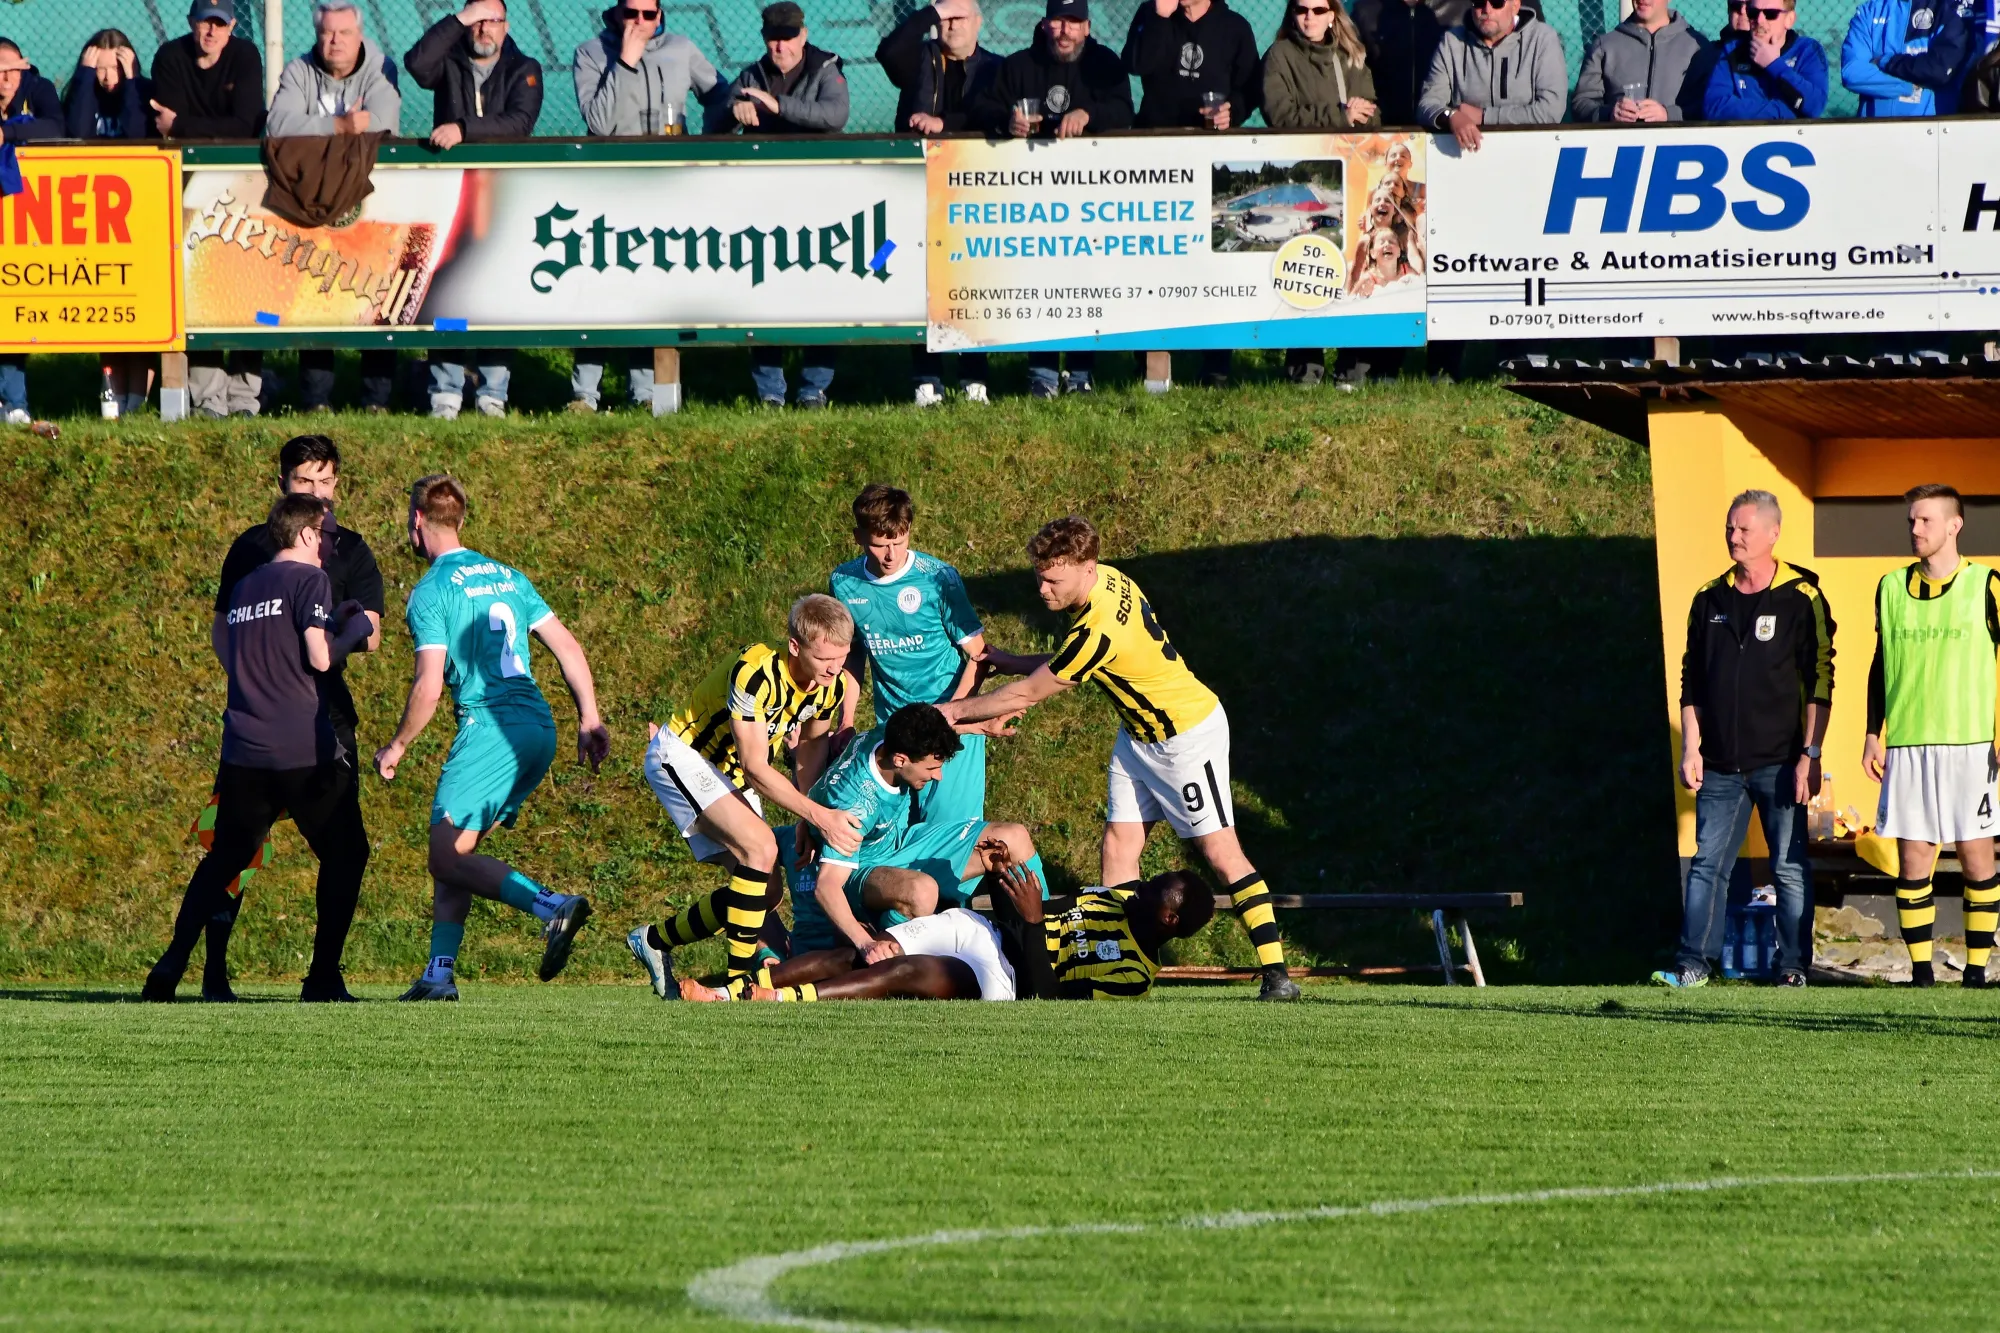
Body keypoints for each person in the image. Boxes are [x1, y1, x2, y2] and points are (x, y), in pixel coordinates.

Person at [939, 516, 1301, 1001]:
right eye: (1039, 577)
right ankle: (1115, 964)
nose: (1042, 590)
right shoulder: (1109, 580)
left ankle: (1277, 975)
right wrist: (1009, 661)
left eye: (1053, 580)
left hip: (1186, 736)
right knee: (1118, 846)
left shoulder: (1099, 628)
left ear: (1086, 567)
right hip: (1138, 734)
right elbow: (1073, 662)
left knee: (1221, 852)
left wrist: (949, 713)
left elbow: (1029, 692)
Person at [374, 476, 608, 1000]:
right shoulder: (508, 576)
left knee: (445, 856)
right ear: (460, 519)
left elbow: (428, 685)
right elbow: (568, 647)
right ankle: (438, 975)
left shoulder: (431, 591)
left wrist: (398, 745)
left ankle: (551, 906)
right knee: (456, 854)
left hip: (490, 728)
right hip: (538, 728)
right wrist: (589, 719)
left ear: (417, 520)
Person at [142, 495, 376, 1002]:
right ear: (308, 535)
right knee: (347, 852)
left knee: (226, 857)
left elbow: (240, 650)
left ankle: (172, 961)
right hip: (301, 747)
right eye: (328, 538)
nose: (330, 549)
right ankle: (322, 977)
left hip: (244, 748)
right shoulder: (310, 579)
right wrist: (352, 630)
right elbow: (319, 658)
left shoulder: (246, 586)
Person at [195, 435, 385, 1000]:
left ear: (338, 484)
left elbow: (373, 631)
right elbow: (222, 630)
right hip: (256, 724)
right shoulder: (250, 548)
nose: (318, 493)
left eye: (326, 482)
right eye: (305, 481)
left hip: (326, 721)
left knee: (343, 850)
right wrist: (255, 681)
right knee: (236, 849)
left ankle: (323, 974)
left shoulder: (350, 549)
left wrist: (337, 636)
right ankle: (213, 973)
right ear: (281, 483)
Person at [627, 595, 861, 999]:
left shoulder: (831, 686)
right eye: (825, 658)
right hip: (685, 755)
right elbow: (756, 767)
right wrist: (822, 818)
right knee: (761, 848)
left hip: (730, 775)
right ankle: (738, 985)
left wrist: (806, 816)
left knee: (764, 894)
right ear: (795, 647)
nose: (834, 667)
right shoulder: (756, 672)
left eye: (842, 657)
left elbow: (810, 749)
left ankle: (653, 940)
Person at [1651, 491, 1834, 990]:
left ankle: (1792, 967)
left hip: (1781, 761)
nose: (1734, 537)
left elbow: (1820, 679)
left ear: (1773, 534)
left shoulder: (1802, 597)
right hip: (1719, 766)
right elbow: (1691, 681)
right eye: (1730, 528)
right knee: (1707, 865)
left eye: (1744, 529)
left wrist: (1810, 754)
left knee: (1788, 868)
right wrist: (1691, 748)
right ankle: (1693, 965)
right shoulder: (1708, 598)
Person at [1862, 484, 2000, 989]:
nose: (1915, 529)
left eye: (1925, 520)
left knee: (1976, 856)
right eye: (1912, 521)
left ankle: (1977, 972)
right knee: (1914, 859)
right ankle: (1921, 973)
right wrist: (1872, 732)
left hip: (1970, 744)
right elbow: (1880, 664)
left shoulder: (1986, 584)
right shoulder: (1890, 587)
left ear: (1954, 525)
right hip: (1909, 743)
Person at [717, 862, 1215, 1001]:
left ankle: (783, 1001)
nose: (1142, 885)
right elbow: (1024, 913)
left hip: (1009, 982)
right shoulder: (1112, 898)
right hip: (986, 931)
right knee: (873, 950)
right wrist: (1002, 880)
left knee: (907, 968)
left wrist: (1033, 921)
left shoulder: (1134, 976)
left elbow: (1047, 996)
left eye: (1156, 888)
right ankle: (734, 990)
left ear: (1169, 919)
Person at [788, 704, 1039, 957]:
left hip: (901, 843)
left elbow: (932, 726)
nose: (938, 776)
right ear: (900, 760)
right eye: (931, 768)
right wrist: (865, 944)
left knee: (1013, 837)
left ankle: (1045, 938)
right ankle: (883, 950)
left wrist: (981, 727)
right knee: (922, 892)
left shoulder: (890, 735)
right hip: (860, 870)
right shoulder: (856, 808)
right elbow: (827, 887)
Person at [974, 0, 1133, 400]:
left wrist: (1088, 114)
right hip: (1033, 194)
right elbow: (982, 106)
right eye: (1059, 22)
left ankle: (1080, 372)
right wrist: (1007, 121)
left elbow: (1124, 111)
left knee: (1084, 279)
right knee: (1040, 280)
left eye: (1074, 22)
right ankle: (1041, 373)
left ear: (1087, 27)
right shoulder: (1019, 65)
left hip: (1091, 194)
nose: (1065, 31)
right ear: (1045, 24)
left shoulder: (1104, 63)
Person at [569, 0, 722, 414]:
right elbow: (598, 124)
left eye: (648, 15)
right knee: (600, 285)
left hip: (667, 191)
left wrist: (706, 139)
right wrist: (625, 62)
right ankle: (585, 393)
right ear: (616, 13)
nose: (639, 22)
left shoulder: (681, 48)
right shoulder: (591, 52)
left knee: (652, 287)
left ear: (660, 15)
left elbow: (720, 97)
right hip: (611, 189)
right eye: (631, 13)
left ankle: (645, 393)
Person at [408, 0, 543, 420]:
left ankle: (492, 393)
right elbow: (416, 64)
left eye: (492, 21)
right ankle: (445, 393)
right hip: (451, 194)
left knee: (495, 290)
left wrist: (463, 129)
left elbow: (520, 123)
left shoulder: (525, 68)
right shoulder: (447, 62)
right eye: (476, 20)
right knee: (448, 286)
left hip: (502, 196)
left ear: (506, 26)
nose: (484, 29)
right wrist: (458, 20)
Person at [270, 1, 404, 415]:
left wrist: (315, 133)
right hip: (312, 201)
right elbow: (278, 125)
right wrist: (339, 127)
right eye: (327, 32)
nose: (335, 41)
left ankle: (376, 400)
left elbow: (384, 123)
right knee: (317, 291)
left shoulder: (380, 69)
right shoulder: (298, 70)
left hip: (371, 200)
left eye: (344, 33)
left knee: (376, 292)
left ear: (359, 35)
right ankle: (315, 400)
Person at [714, 3, 848, 408]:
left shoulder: (826, 69)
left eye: (789, 37)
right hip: (765, 203)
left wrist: (776, 105)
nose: (781, 46)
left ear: (803, 36)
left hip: (819, 201)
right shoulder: (751, 75)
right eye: (774, 38)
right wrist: (733, 110)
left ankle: (813, 388)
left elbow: (835, 115)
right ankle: (770, 391)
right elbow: (714, 124)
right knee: (763, 291)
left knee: (823, 290)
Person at [1127, 0, 1259, 390]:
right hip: (1156, 156)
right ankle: (1152, 362)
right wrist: (1158, 18)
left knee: (1214, 257)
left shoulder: (1234, 26)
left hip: (1210, 157)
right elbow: (1135, 64)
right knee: (1152, 258)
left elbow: (1251, 87)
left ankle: (1215, 362)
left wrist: (1233, 112)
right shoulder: (1152, 13)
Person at [878, 0, 998, 406]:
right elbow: (888, 52)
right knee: (921, 281)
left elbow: (995, 115)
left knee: (971, 280)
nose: (952, 25)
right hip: (919, 189)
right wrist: (932, 11)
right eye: (946, 18)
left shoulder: (996, 68)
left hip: (973, 191)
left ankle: (973, 375)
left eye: (960, 16)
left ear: (978, 23)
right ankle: (927, 377)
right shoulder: (921, 59)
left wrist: (945, 125)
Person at [153, 0, 268, 420]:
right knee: (199, 286)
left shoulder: (245, 55)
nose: (211, 31)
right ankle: (208, 399)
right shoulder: (170, 56)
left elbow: (247, 124)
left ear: (232, 25)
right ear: (191, 22)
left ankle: (245, 398)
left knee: (246, 287)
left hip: (241, 187)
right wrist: (195, 130)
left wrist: (184, 125)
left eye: (220, 23)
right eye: (205, 22)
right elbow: (163, 129)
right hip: (187, 187)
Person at [1263, 0, 1378, 388]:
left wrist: (1358, 115)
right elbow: (1280, 115)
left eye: (1317, 9)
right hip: (1305, 171)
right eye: (1301, 9)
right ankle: (1304, 366)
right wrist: (1340, 114)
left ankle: (1353, 367)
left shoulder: (1351, 56)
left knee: (1354, 264)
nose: (1309, 17)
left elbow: (1373, 116)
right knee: (1305, 269)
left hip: (1353, 172)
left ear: (1332, 15)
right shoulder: (1279, 56)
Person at [1418, 0, 1566, 147]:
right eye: (1479, 2)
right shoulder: (1452, 41)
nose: (1487, 10)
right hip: (1469, 151)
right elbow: (1428, 103)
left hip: (1530, 149)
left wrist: (1483, 116)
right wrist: (1451, 116)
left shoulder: (1543, 39)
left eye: (1497, 2)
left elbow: (1551, 110)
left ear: (1515, 6)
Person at [1571, 0, 1708, 121]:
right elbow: (1581, 103)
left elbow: (1708, 104)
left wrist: (1669, 115)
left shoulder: (1696, 47)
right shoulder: (1605, 45)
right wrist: (1609, 114)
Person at [1841, 0, 1973, 117]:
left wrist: (1884, 62)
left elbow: (1939, 70)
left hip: (1931, 128)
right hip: (1872, 127)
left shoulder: (1948, 11)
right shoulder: (1870, 10)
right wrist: (1909, 87)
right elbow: (1852, 73)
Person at [1702, 0, 1827, 120]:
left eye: (1770, 14)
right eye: (1753, 13)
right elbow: (1714, 107)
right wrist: (1785, 112)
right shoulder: (1732, 51)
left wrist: (1774, 64)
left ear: (1789, 19)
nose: (1759, 20)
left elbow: (1814, 105)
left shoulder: (1807, 51)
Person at [1351, 0, 1453, 125]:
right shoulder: (1364, 12)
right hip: (1382, 126)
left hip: (1444, 126)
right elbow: (1350, 72)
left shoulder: (1460, 8)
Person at [65, 30, 154, 139]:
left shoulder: (144, 91)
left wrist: (132, 81)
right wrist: (85, 75)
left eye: (115, 68)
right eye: (101, 69)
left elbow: (136, 135)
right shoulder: (84, 90)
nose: (108, 77)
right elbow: (78, 133)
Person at [0, 40, 63, 142]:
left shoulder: (38, 87)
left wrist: (6, 132)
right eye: (2, 70)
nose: (7, 77)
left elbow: (55, 128)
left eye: (14, 69)